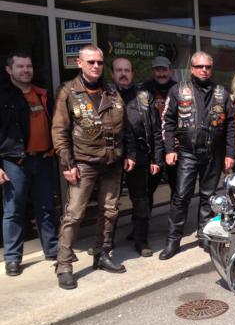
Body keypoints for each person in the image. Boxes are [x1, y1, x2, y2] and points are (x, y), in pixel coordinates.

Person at [51, 44, 136, 290]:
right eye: (91, 62)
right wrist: (67, 164)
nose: (96, 66)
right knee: (74, 214)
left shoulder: (111, 90)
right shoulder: (68, 91)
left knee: (109, 210)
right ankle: (64, 265)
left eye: (99, 62)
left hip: (112, 162)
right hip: (83, 163)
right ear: (80, 63)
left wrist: (129, 153)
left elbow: (125, 127)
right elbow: (60, 131)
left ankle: (102, 254)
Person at [160, 51, 235, 260]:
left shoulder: (222, 92)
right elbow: (168, 121)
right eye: (200, 66)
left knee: (208, 197)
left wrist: (230, 153)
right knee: (181, 197)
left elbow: (231, 126)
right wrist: (169, 149)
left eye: (207, 67)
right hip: (187, 153)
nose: (204, 70)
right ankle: (173, 240)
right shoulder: (178, 90)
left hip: (213, 153)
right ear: (192, 69)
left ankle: (205, 235)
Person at [0, 51, 58, 276]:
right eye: (20, 66)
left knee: (46, 208)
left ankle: (52, 249)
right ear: (9, 70)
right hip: (15, 162)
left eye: (28, 66)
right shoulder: (3, 96)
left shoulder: (42, 94)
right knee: (14, 211)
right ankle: (13, 258)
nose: (26, 70)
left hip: (43, 159)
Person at [112, 58, 163, 257]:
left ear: (132, 73)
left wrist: (156, 159)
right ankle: (106, 242)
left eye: (127, 70)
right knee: (109, 202)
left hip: (141, 155)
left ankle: (141, 240)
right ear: (113, 73)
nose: (123, 74)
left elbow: (156, 130)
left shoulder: (144, 97)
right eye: (119, 70)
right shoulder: (105, 95)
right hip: (113, 156)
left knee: (141, 200)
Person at [142, 55, 177, 202]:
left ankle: (175, 216)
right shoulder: (143, 90)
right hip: (153, 146)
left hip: (174, 145)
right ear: (153, 71)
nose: (161, 73)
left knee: (177, 187)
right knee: (148, 187)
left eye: (164, 70)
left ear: (171, 71)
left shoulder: (179, 89)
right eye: (158, 70)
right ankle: (146, 215)